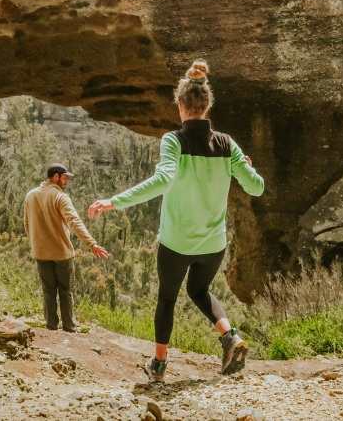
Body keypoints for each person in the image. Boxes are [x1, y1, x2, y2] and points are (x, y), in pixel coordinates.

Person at [88, 61, 264, 383]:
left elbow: (163, 181)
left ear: (180, 107)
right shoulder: (227, 144)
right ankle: (230, 338)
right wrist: (248, 168)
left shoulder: (174, 141)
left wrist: (114, 201)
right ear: (208, 105)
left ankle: (157, 366)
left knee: (167, 299)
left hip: (177, 243)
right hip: (213, 245)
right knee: (200, 290)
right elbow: (256, 187)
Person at [23, 163, 110, 333]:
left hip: (40, 252)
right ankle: (69, 327)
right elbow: (75, 222)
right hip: (62, 253)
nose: (66, 181)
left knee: (48, 291)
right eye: (65, 177)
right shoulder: (61, 197)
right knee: (65, 291)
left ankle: (51, 327)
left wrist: (35, 245)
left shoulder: (30, 195)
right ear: (55, 177)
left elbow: (27, 224)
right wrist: (91, 244)